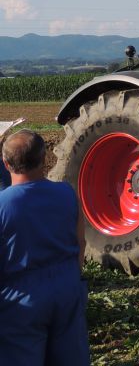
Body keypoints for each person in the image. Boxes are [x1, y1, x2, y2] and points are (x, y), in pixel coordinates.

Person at [0, 130, 90, 366]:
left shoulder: (3, 205)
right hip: (67, 287)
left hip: (20, 297)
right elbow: (81, 243)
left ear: (5, 163)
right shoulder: (67, 194)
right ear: (44, 159)